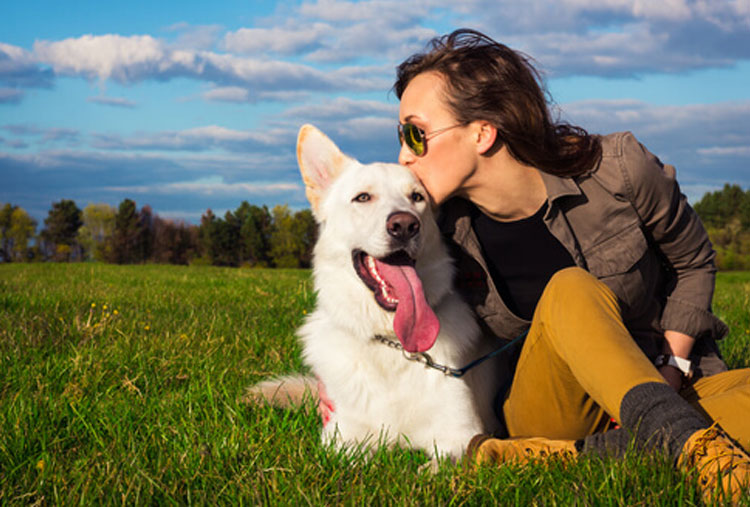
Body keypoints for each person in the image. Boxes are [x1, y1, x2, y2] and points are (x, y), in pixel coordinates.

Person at [390, 28, 750, 502]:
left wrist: (671, 366)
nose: (403, 156)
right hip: (553, 404)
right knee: (570, 289)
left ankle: (562, 454)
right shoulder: (439, 232)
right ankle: (695, 447)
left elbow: (694, 260)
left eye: (416, 134)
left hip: (664, 381)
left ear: (482, 131)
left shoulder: (618, 170)